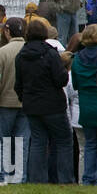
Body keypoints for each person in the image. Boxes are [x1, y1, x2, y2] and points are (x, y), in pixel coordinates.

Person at [14, 18, 72, 184]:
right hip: (53, 105)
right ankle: (65, 179)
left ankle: (37, 180)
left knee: (38, 142)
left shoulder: (21, 56)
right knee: (63, 141)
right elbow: (61, 80)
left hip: (32, 105)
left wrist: (24, 98)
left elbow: (18, 84)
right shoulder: (50, 54)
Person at [72, 24, 97, 185]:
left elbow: (75, 84)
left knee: (90, 144)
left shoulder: (76, 59)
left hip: (86, 105)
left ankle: (87, 178)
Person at [0, 17, 28, 183]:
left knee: (2, 142)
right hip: (26, 103)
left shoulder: (1, 53)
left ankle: (3, 175)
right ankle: (20, 175)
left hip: (5, 103)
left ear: (7, 31)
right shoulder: (28, 49)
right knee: (22, 142)